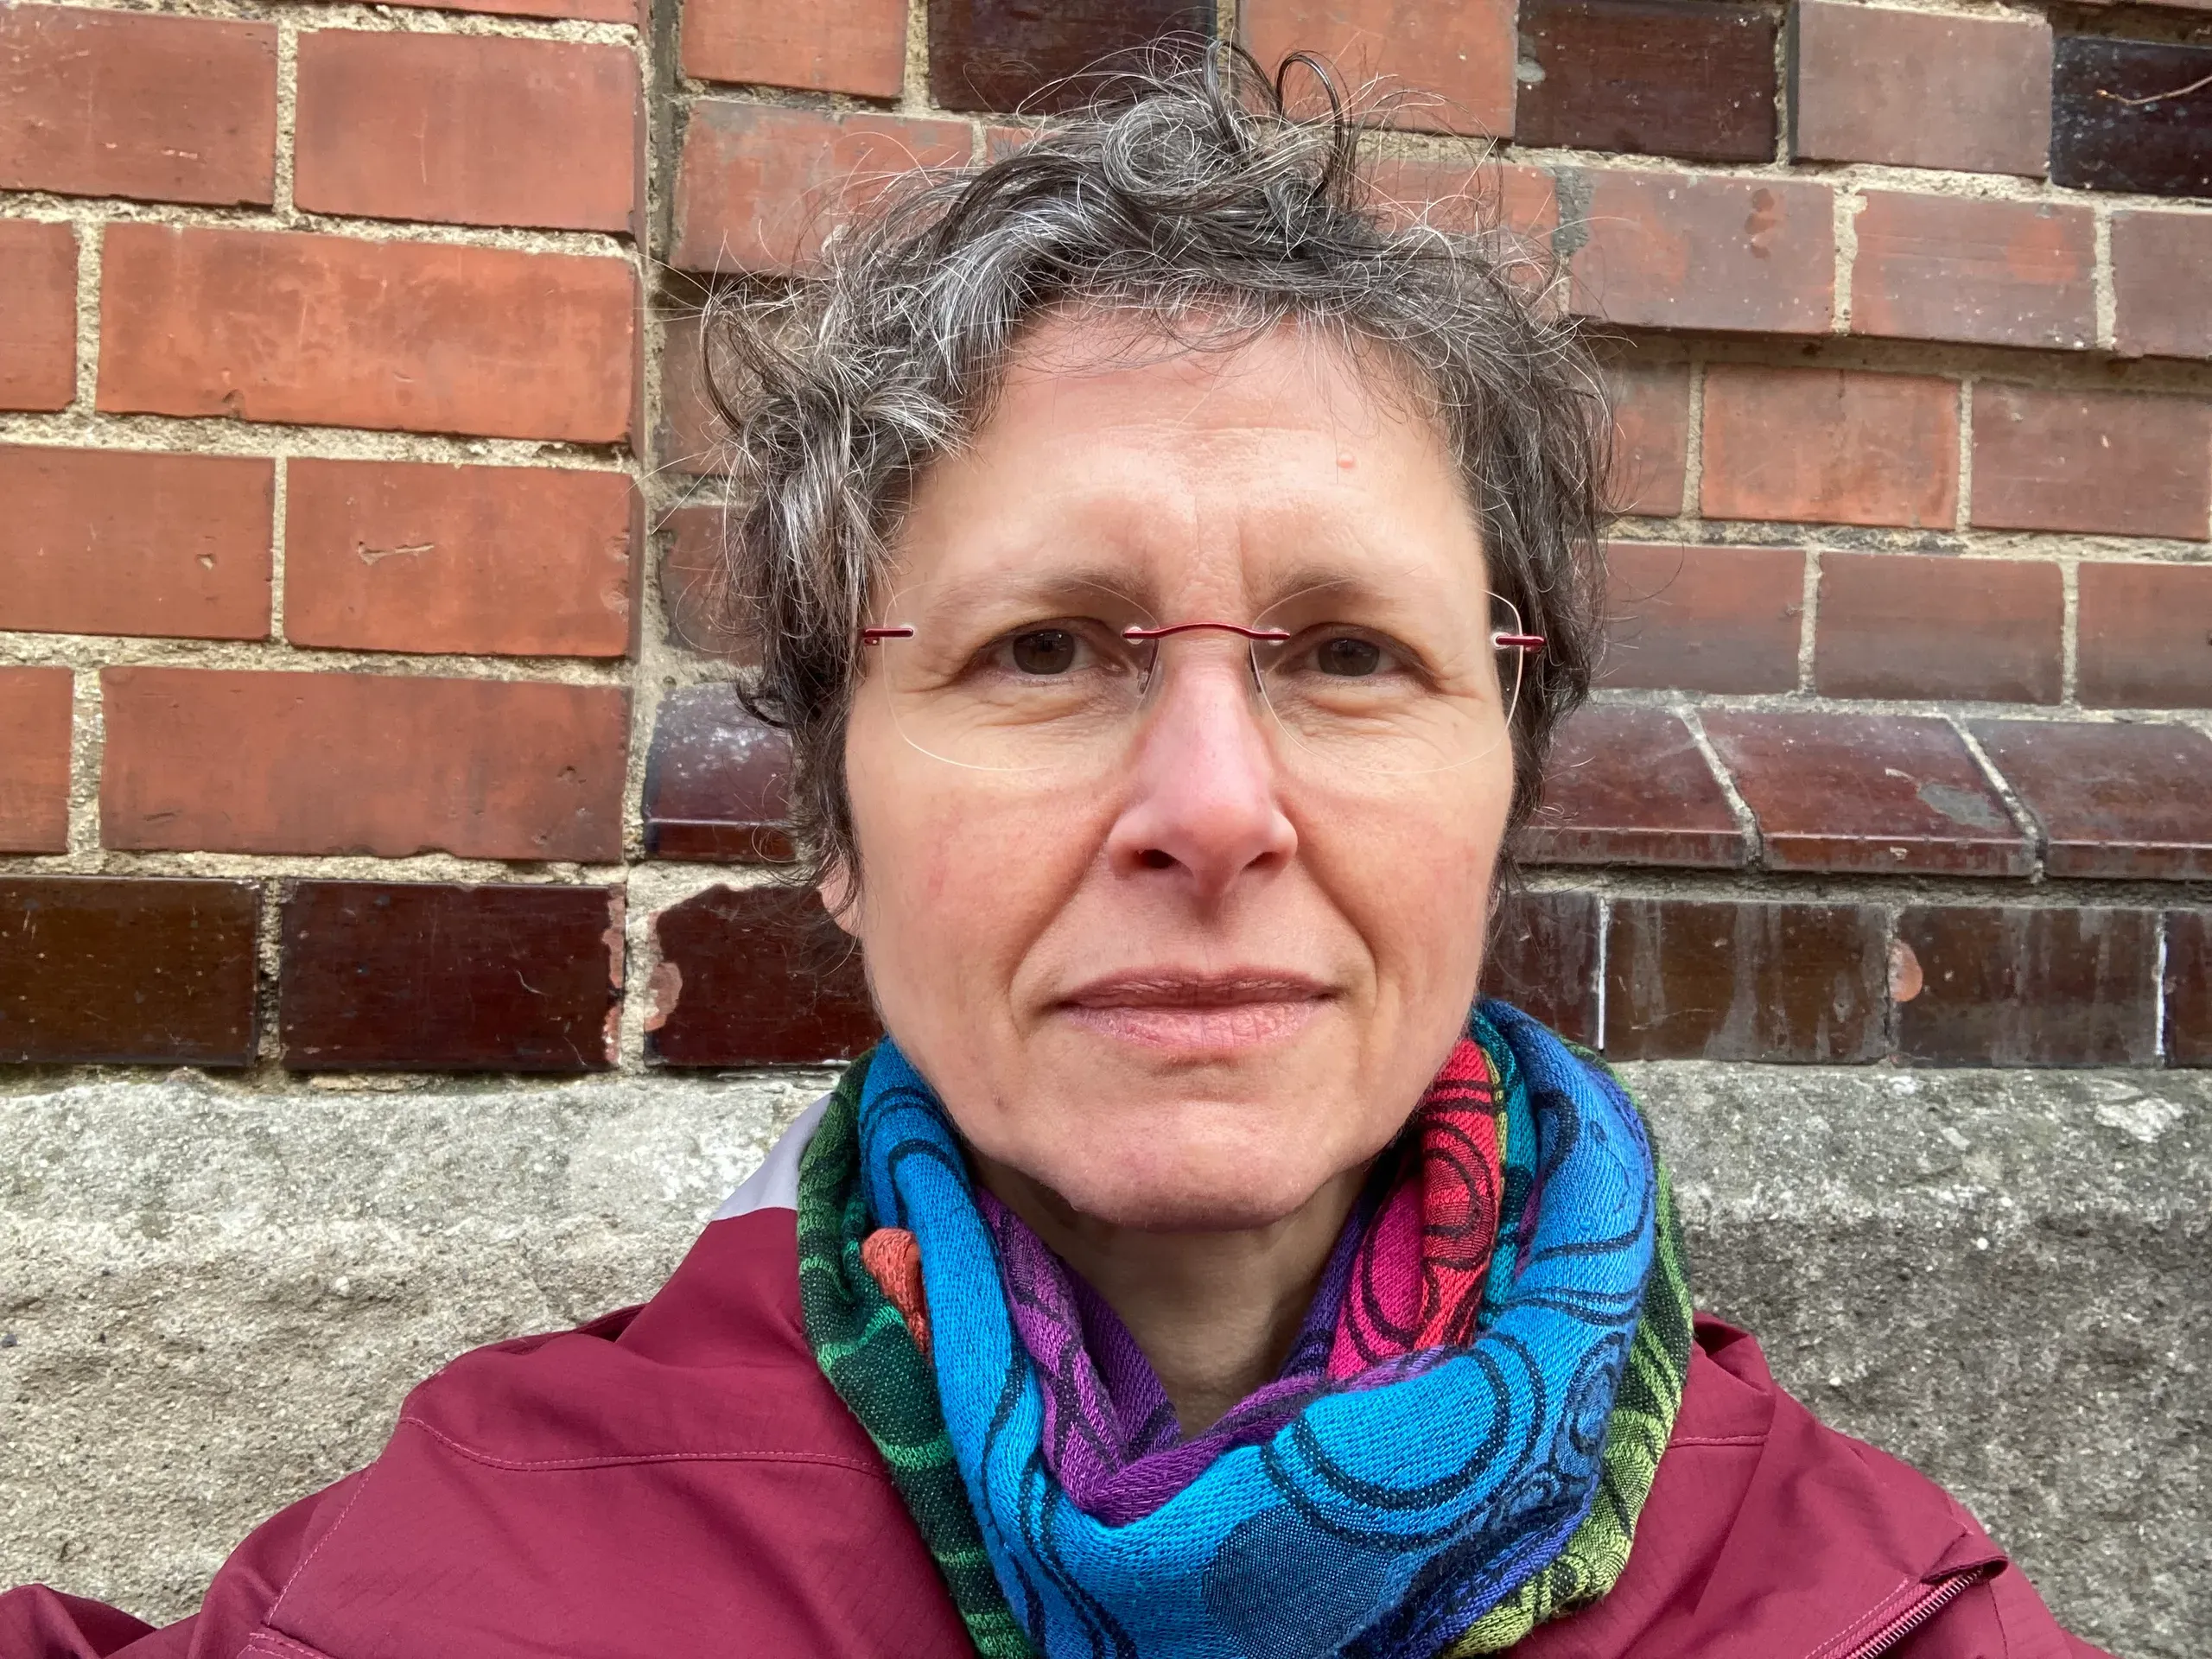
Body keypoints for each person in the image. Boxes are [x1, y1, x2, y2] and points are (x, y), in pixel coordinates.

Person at [3, 51, 2107, 1659]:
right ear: (832, 824)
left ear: (1502, 795)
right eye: (1042, 649)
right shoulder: (473, 1586)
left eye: (1348, 655)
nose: (1211, 806)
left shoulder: (1866, 1609)